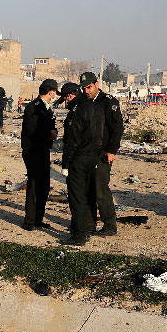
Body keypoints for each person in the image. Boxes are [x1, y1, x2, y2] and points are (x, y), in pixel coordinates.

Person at [60, 77, 105, 245]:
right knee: (88, 195)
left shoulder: (77, 111)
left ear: (71, 95)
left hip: (79, 158)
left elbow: (72, 140)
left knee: (77, 197)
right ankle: (86, 228)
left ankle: (79, 235)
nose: (65, 102)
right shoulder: (97, 107)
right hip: (94, 157)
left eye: (65, 98)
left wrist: (65, 164)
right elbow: (102, 134)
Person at [81, 71, 123, 237]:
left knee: (100, 189)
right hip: (86, 152)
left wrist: (112, 150)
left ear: (96, 84)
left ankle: (110, 225)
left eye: (89, 87)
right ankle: (89, 223)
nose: (86, 91)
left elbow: (117, 128)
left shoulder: (108, 102)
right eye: (84, 88)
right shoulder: (83, 101)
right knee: (87, 189)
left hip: (103, 152)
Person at [20, 79, 63, 231]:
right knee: (34, 186)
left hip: (43, 150)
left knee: (44, 186)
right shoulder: (34, 107)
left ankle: (38, 218)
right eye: (54, 93)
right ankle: (29, 221)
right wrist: (48, 133)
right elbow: (31, 129)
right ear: (50, 91)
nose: (55, 96)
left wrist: (53, 132)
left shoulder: (47, 108)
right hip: (33, 150)